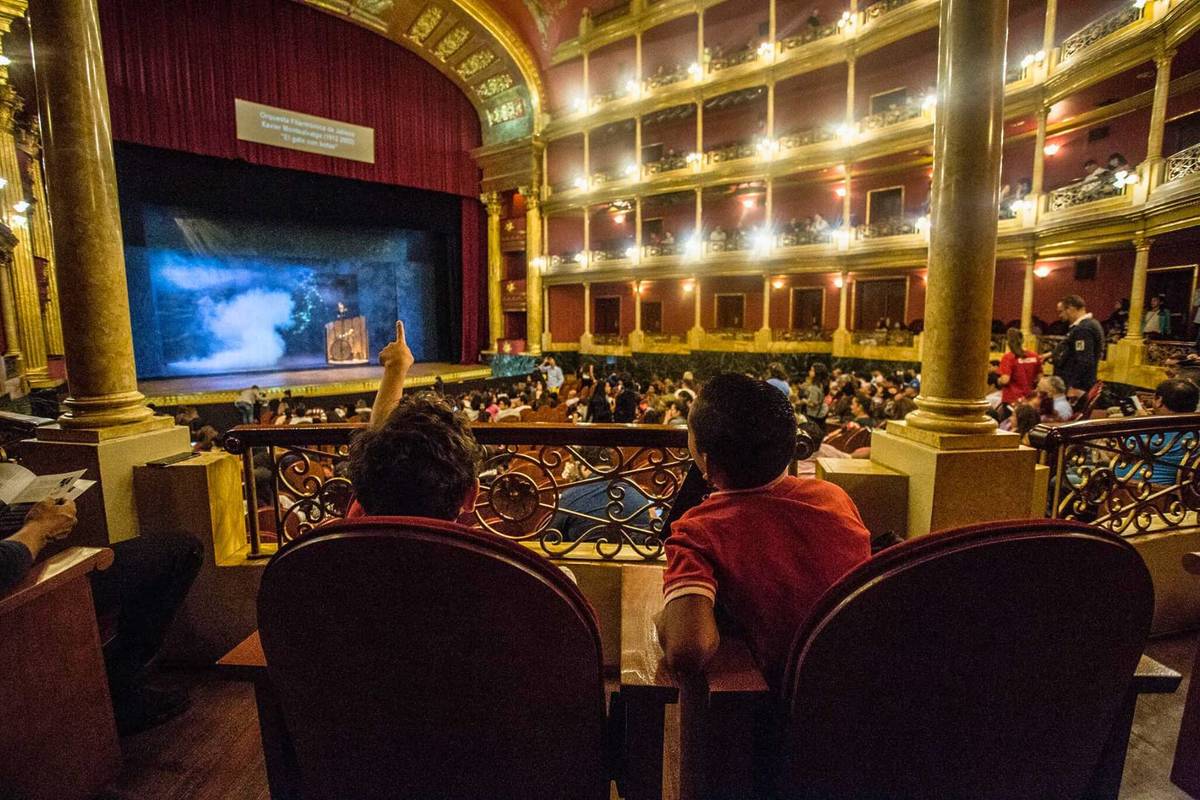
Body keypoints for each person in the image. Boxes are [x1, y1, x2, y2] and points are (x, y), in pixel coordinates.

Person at [655, 373, 871, 689]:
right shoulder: (834, 498)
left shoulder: (698, 531)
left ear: (708, 461)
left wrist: (662, 619)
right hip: (854, 684)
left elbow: (690, 649)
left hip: (774, 706)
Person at [0, 498, 203, 734]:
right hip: (18, 602)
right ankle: (118, 695)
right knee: (183, 550)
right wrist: (38, 529)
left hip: (20, 566)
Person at [1051, 295, 1104, 396]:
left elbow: (1084, 361)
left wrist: (1074, 386)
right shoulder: (1090, 324)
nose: (1060, 315)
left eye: (1061, 311)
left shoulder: (1083, 329)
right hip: (1080, 383)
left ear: (1070, 309)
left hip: (1078, 387)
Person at [997, 328, 1042, 407]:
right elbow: (1040, 379)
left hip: (1012, 400)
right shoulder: (1034, 356)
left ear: (1008, 342)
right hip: (1029, 399)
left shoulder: (1008, 357)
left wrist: (998, 380)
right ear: (1022, 340)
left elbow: (1005, 380)